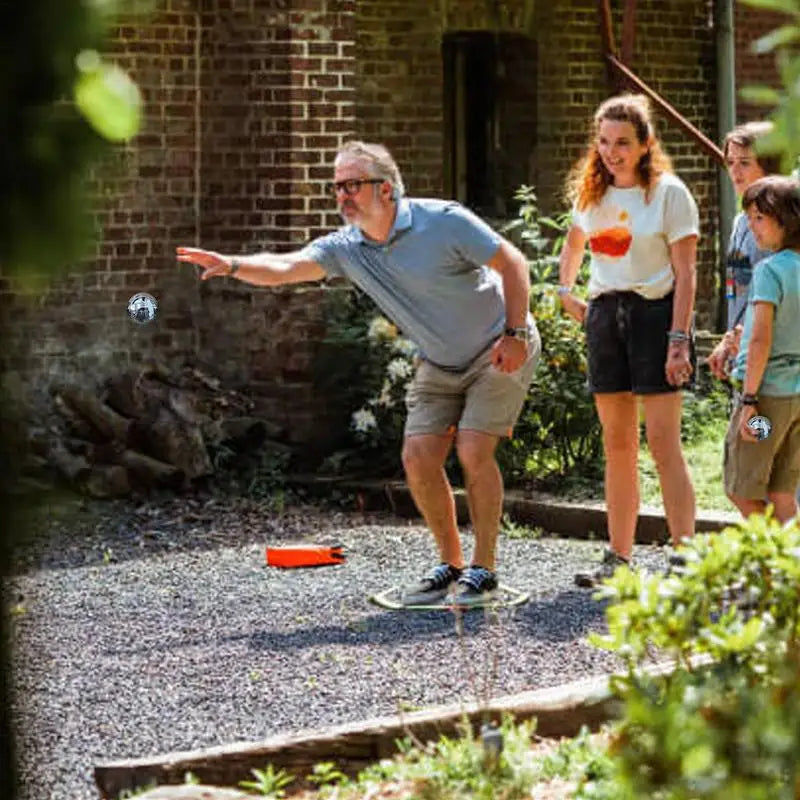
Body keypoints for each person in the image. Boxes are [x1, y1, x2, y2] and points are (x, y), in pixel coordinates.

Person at [176, 140, 540, 607]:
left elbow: (513, 262)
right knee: (418, 457)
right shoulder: (346, 247)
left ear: (386, 189)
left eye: (352, 185)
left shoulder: (443, 221)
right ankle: (451, 567)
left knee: (473, 449)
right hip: (440, 359)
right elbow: (288, 266)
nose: (342, 195)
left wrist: (513, 333)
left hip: (499, 345)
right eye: (337, 187)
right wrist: (232, 265)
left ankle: (484, 570)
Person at [556, 94, 699, 586]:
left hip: (654, 317)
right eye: (604, 141)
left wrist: (679, 339)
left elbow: (687, 272)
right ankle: (618, 560)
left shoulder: (669, 194)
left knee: (663, 443)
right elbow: (574, 243)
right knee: (617, 444)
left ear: (644, 145)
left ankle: (685, 557)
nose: (611, 151)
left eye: (622, 142)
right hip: (604, 317)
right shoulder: (590, 194)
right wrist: (564, 291)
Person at [724, 175, 800, 523]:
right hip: (795, 405)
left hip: (765, 404)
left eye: (759, 218)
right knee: (782, 490)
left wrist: (749, 401)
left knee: (741, 487)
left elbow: (761, 339)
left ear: (785, 220)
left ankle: (774, 562)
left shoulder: (770, 271)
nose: (752, 227)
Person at [706, 122, 780, 382]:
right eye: (730, 162)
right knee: (749, 421)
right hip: (742, 353)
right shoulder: (740, 222)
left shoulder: (782, 226)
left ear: (767, 164)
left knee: (760, 422)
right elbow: (735, 286)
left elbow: (776, 296)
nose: (735, 172)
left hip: (774, 363)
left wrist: (744, 334)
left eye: (745, 163)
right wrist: (729, 337)